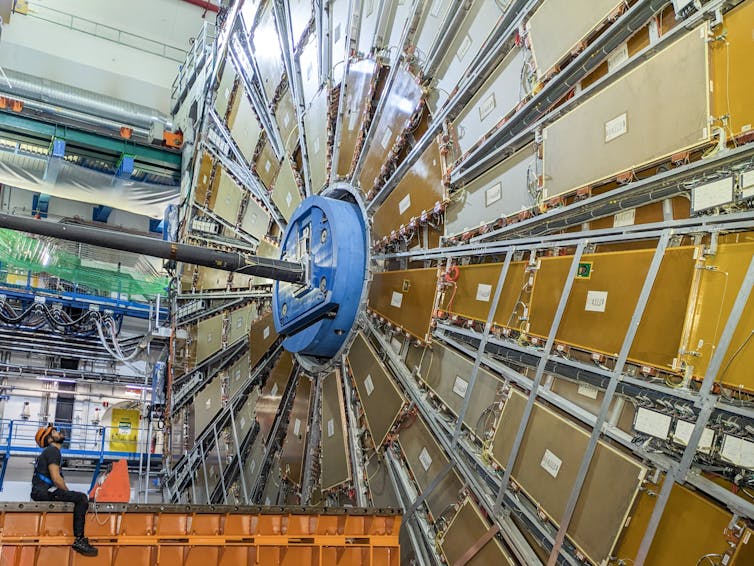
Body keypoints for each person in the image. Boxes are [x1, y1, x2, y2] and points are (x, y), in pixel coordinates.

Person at [31, 424, 98, 557]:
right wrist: (67, 492)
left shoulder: (51, 452)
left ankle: (79, 539)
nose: (59, 432)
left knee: (79, 497)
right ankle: (79, 540)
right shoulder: (52, 452)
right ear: (50, 439)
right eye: (55, 432)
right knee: (81, 498)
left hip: (42, 492)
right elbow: (56, 479)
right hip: (44, 493)